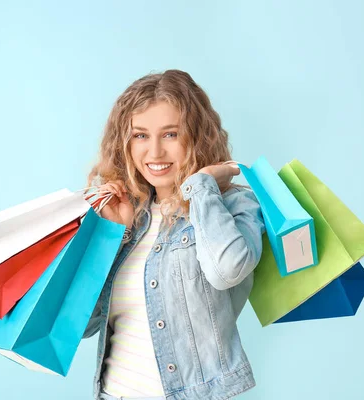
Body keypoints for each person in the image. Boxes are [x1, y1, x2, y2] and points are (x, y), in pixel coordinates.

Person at [83, 69, 265, 400]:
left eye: (170, 134)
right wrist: (110, 235)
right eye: (140, 135)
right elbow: (82, 326)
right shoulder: (129, 216)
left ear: (196, 136)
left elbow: (227, 271)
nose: (154, 153)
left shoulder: (232, 204)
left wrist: (203, 184)